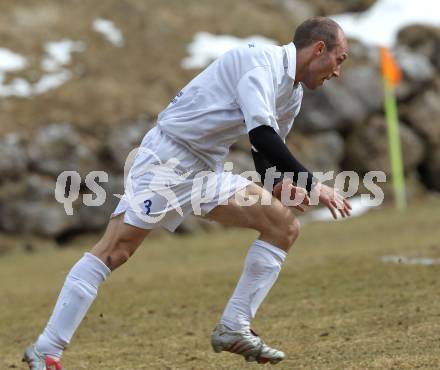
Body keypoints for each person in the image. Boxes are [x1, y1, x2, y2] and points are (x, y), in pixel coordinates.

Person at [23, 16, 351, 369]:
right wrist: (313, 185)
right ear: (319, 49)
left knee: (283, 226)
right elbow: (261, 136)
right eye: (339, 59)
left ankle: (233, 327)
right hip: (167, 159)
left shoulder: (293, 93)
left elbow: (266, 148)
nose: (337, 71)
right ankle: (46, 349)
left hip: (206, 170)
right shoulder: (259, 62)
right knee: (114, 252)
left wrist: (276, 183)